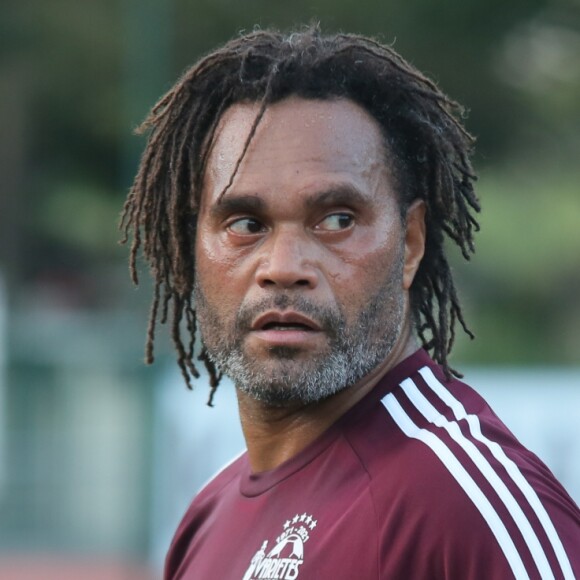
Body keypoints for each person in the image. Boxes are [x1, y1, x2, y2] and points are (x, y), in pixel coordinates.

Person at [121, 26, 580, 579]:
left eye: (337, 220)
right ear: (192, 247)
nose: (284, 267)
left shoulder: (459, 509)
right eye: (246, 223)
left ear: (410, 244)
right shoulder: (206, 521)